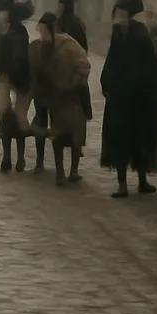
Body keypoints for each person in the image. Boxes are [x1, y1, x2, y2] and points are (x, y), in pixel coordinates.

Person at [100, 0, 157, 199]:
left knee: (140, 138)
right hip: (119, 98)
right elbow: (112, 59)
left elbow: (149, 65)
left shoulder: (140, 34)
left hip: (139, 98)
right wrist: (106, 82)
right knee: (119, 139)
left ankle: (142, 180)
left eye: (120, 12)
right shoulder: (118, 34)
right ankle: (122, 183)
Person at [29, 12, 90, 186]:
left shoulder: (65, 45)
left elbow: (83, 66)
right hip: (60, 96)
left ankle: (67, 172)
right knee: (67, 132)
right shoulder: (41, 47)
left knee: (67, 133)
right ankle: (66, 172)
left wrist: (75, 82)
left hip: (65, 95)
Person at [0, 0, 34, 172]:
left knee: (19, 118)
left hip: (20, 78)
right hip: (5, 76)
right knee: (5, 116)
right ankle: (6, 156)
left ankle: (20, 157)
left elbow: (20, 58)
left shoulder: (19, 33)